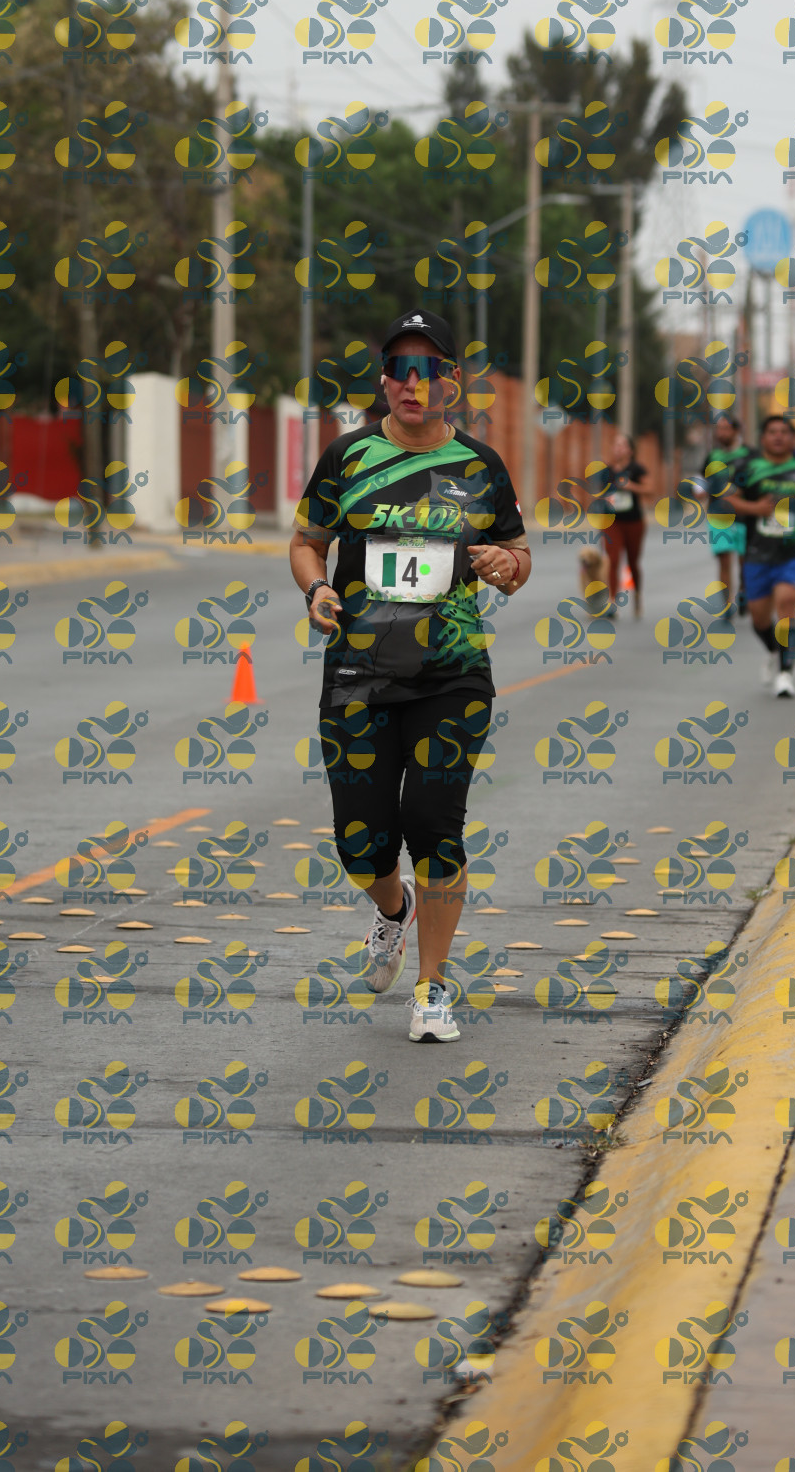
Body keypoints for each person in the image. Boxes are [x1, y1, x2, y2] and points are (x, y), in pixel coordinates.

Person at [289, 307, 531, 1044]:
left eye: (427, 370)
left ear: (451, 381)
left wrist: (505, 564)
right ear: (384, 380)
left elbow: (518, 558)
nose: (411, 383)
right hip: (358, 673)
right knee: (361, 843)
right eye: (399, 369)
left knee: (433, 824)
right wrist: (316, 587)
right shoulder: (347, 457)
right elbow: (306, 541)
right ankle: (393, 911)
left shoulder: (481, 467)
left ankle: (432, 989)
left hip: (452, 675)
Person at [722, 411, 795, 699]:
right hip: (757, 551)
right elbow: (728, 497)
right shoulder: (748, 466)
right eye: (772, 432)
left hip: (791, 550)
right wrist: (755, 509)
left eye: (784, 432)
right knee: (759, 619)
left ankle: (785, 674)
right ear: (763, 438)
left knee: (787, 603)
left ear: (792, 438)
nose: (778, 437)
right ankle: (773, 650)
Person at [596, 430, 648, 619]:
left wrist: (631, 486)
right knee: (612, 559)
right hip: (611, 521)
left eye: (622, 445)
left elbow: (650, 489)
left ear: (630, 450)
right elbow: (600, 493)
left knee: (633, 562)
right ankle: (612, 602)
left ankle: (637, 595)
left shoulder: (637, 469)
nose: (618, 448)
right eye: (616, 445)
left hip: (633, 521)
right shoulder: (606, 472)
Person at [703, 412, 748, 621]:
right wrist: (700, 490)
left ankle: (744, 592)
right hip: (718, 514)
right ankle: (727, 604)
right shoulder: (713, 456)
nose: (721, 433)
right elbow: (704, 480)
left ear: (736, 431)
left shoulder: (749, 455)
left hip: (745, 515)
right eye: (718, 429)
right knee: (723, 560)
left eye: (725, 428)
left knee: (745, 560)